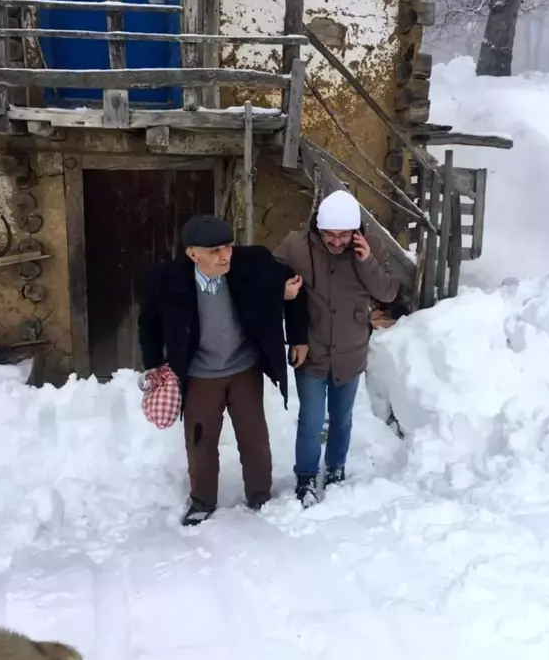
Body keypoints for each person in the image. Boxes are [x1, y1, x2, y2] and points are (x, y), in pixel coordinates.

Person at [138, 214, 308, 526]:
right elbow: (148, 325)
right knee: (201, 441)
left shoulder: (252, 262)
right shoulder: (166, 279)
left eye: (228, 246)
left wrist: (298, 337)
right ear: (193, 254)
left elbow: (294, 286)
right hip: (200, 374)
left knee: (254, 437)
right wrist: (153, 367)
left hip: (244, 367)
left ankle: (260, 496)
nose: (225, 255)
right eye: (215, 250)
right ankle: (202, 502)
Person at [274, 190, 399, 506]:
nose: (336, 241)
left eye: (344, 235)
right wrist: (281, 289)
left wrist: (367, 260)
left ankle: (335, 468)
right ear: (319, 227)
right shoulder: (296, 245)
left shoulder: (371, 247)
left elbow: (388, 291)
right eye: (330, 234)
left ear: (355, 231)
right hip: (311, 349)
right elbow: (268, 275)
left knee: (342, 418)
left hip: (350, 348)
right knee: (311, 420)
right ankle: (305, 477)